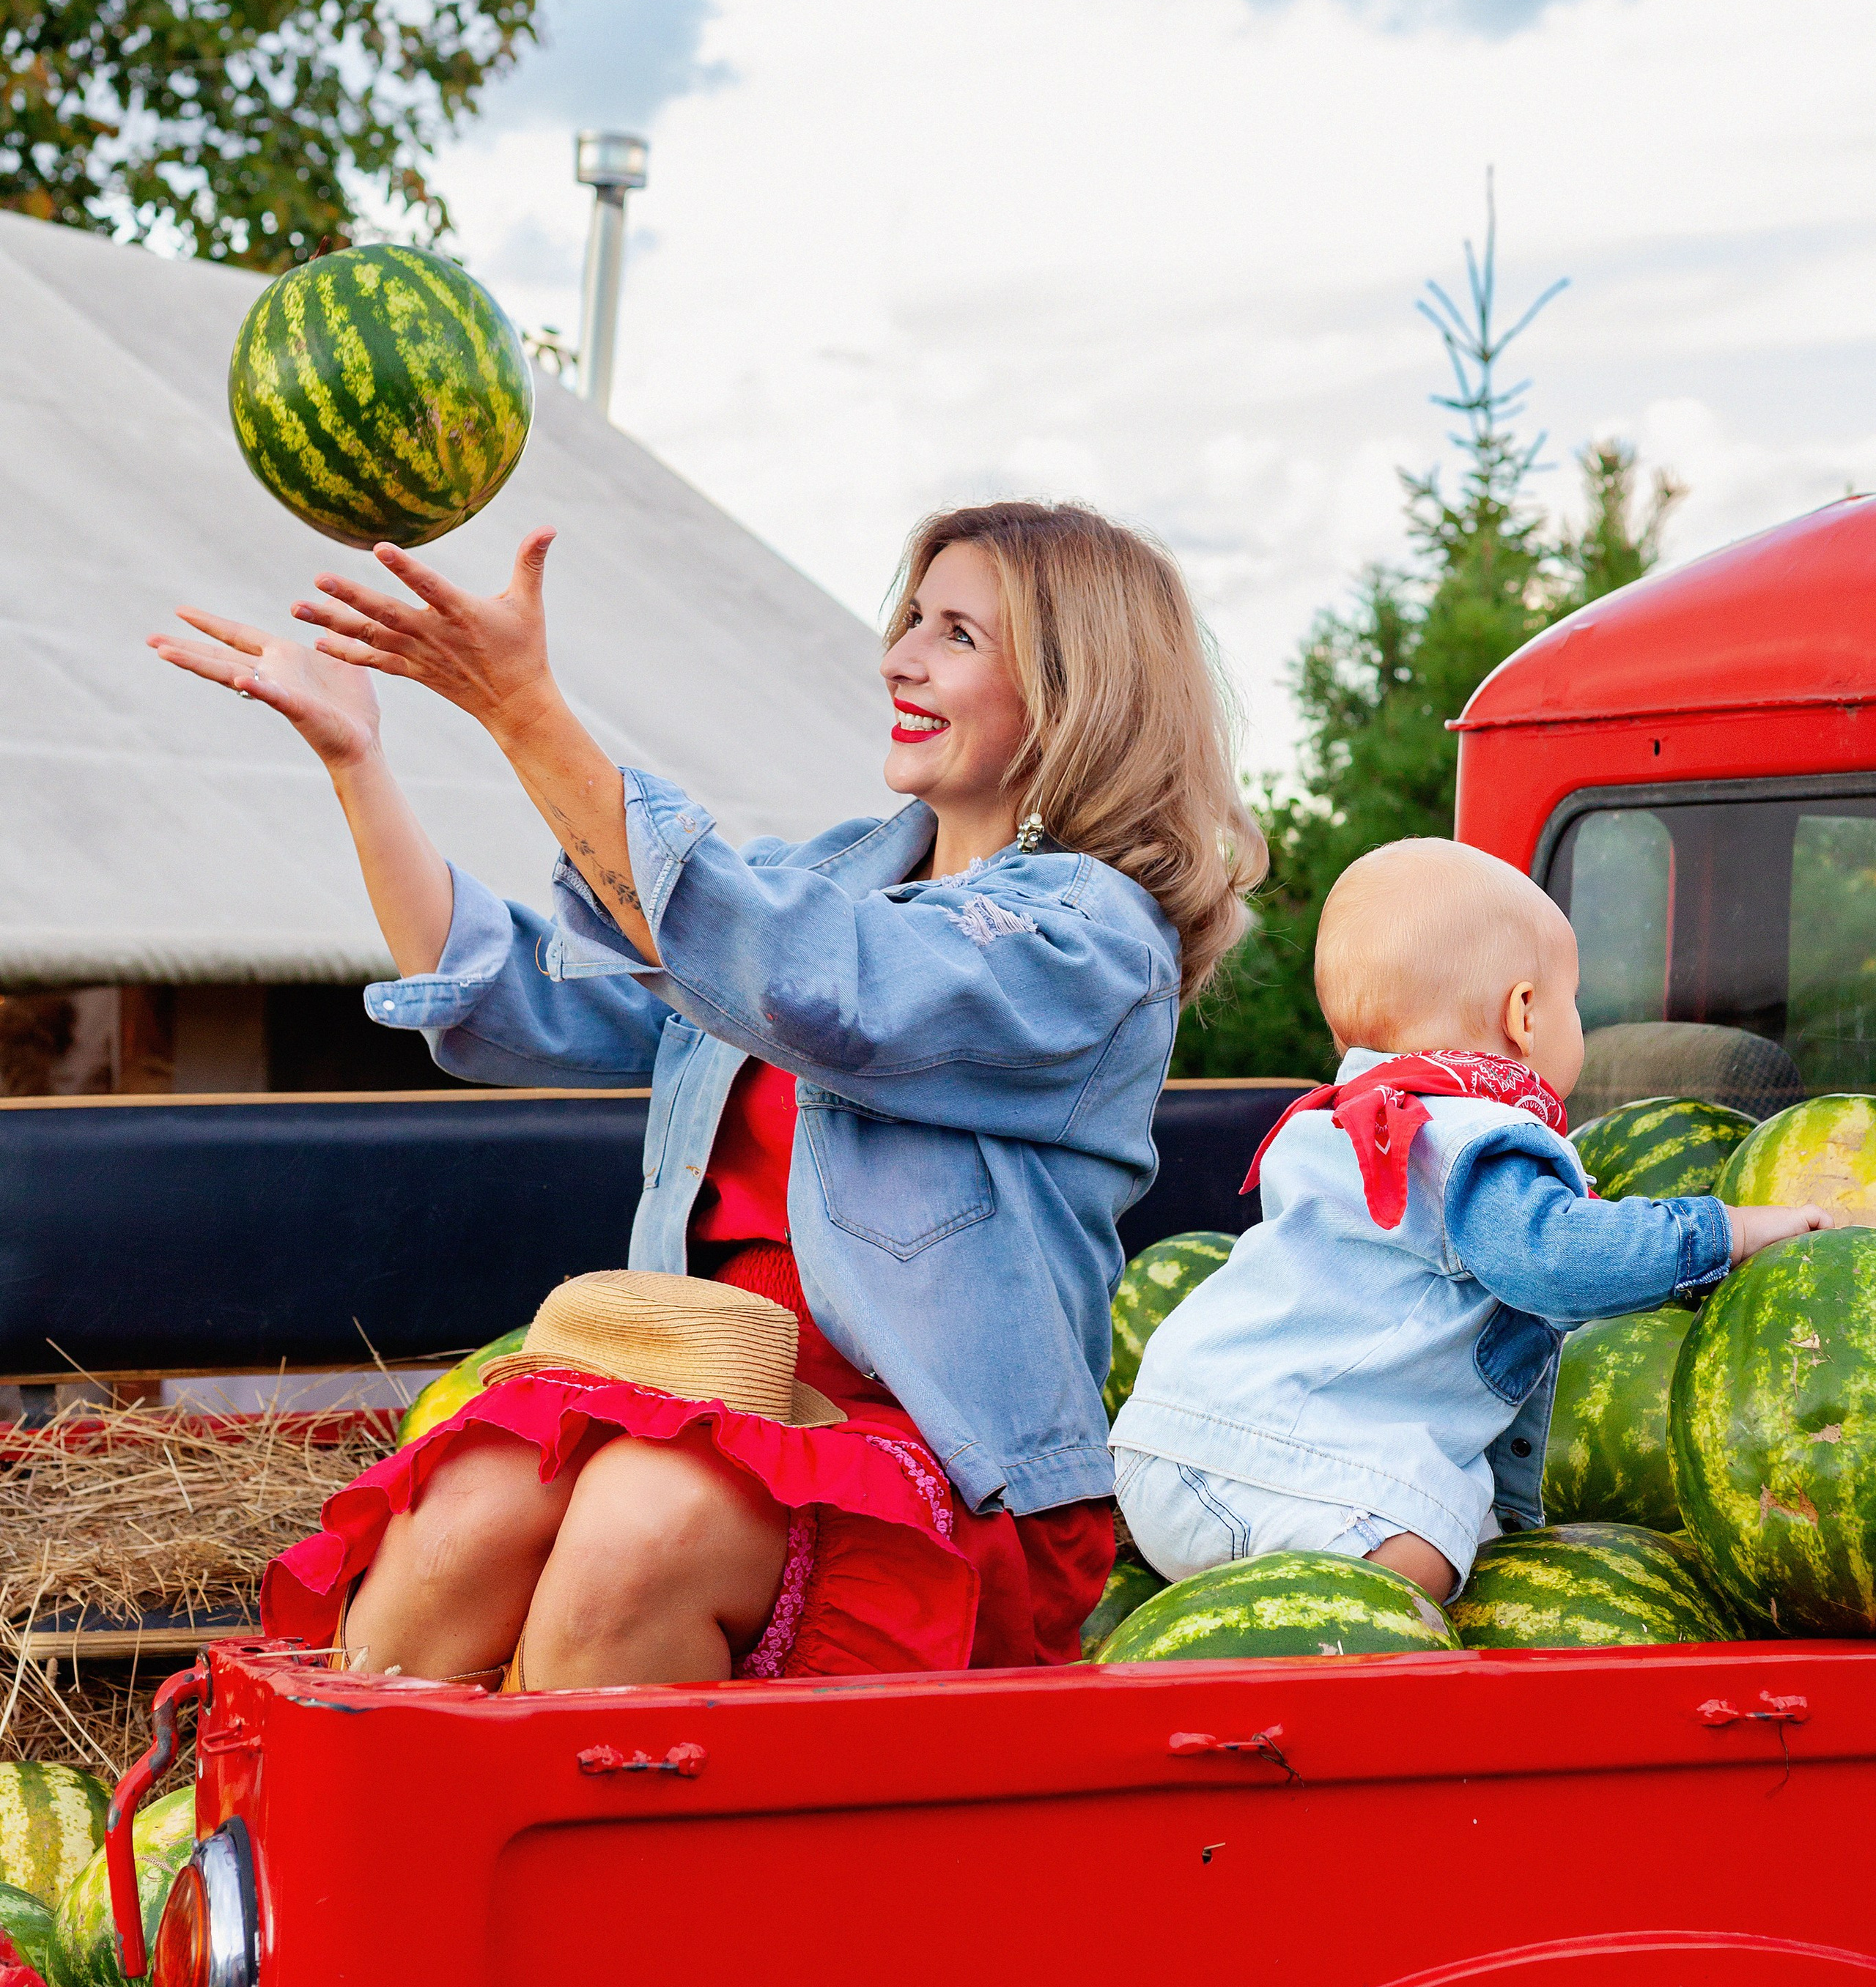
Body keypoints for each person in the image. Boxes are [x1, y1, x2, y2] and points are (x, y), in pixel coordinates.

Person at [149, 499, 1263, 1686]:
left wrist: (522, 709)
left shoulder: (1087, 936)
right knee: (469, 1508)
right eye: (909, 623)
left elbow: (822, 988)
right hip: (702, 1396)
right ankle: (360, 1856)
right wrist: (358, 761)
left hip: (937, 1460)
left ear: (1077, 687)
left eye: (957, 635)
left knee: (643, 1517)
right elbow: (514, 1002)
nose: (899, 658)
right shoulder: (819, 884)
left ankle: (587, 1859)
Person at [1111, 836, 1831, 1603]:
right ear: (1523, 1013)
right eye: (1573, 1000)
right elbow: (1559, 1260)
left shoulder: (1345, 1123)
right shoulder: (1467, 1141)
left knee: (1457, 1526)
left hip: (1165, 1455)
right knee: (1427, 1565)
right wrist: (1727, 1230)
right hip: (1275, 1474)